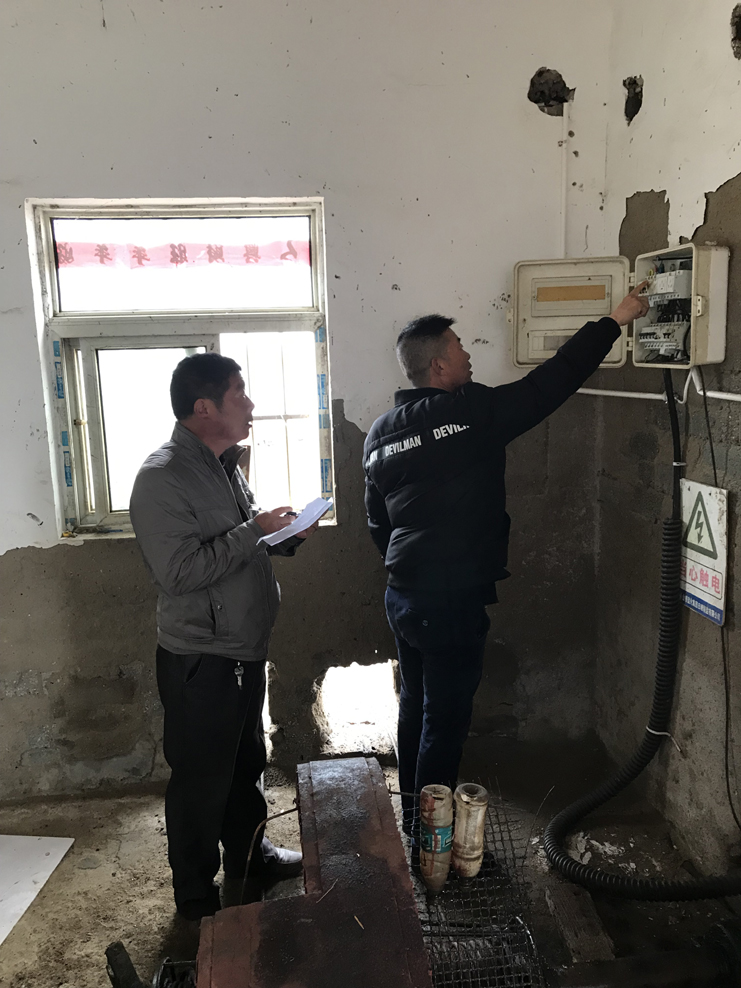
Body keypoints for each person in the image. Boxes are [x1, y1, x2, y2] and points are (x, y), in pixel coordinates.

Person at [363, 285, 649, 831]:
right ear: (439, 365)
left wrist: (408, 568)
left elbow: (378, 523)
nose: (468, 354)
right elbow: (551, 382)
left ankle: (412, 819)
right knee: (445, 722)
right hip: (449, 598)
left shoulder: (379, 434)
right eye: (460, 347)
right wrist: (616, 319)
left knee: (415, 705)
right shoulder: (469, 413)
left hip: (403, 592)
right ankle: (431, 841)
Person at [130, 352, 318, 921]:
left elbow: (240, 539)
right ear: (205, 407)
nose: (251, 404)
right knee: (200, 782)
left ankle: (250, 858)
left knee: (244, 763)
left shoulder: (223, 464)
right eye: (240, 394)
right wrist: (252, 531)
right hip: (202, 659)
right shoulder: (162, 477)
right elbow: (180, 572)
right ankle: (195, 898)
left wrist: (281, 534)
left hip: (241, 649)